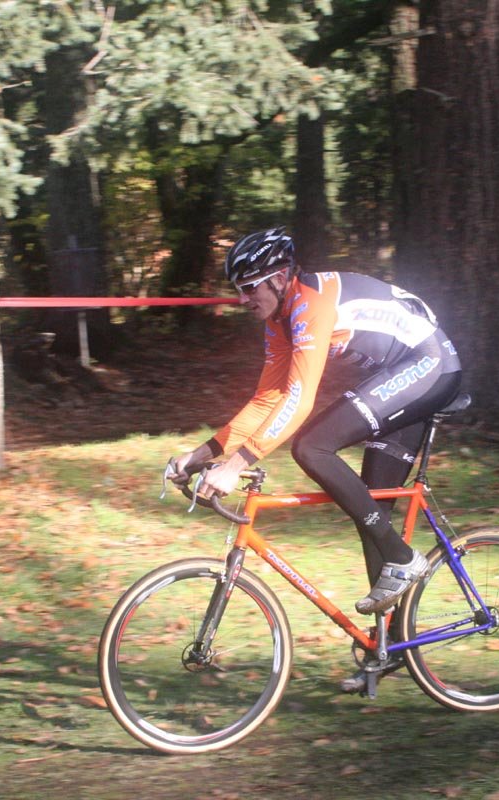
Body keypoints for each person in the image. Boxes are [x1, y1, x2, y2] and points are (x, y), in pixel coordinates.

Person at [170, 227, 462, 686]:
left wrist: (238, 463)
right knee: (371, 510)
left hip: (428, 365)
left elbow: (299, 401)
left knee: (311, 445)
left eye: (249, 288)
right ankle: (389, 646)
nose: (243, 299)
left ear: (279, 278)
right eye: (238, 290)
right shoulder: (279, 321)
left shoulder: (309, 303)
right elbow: (267, 399)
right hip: (400, 373)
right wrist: (203, 453)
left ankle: (403, 559)